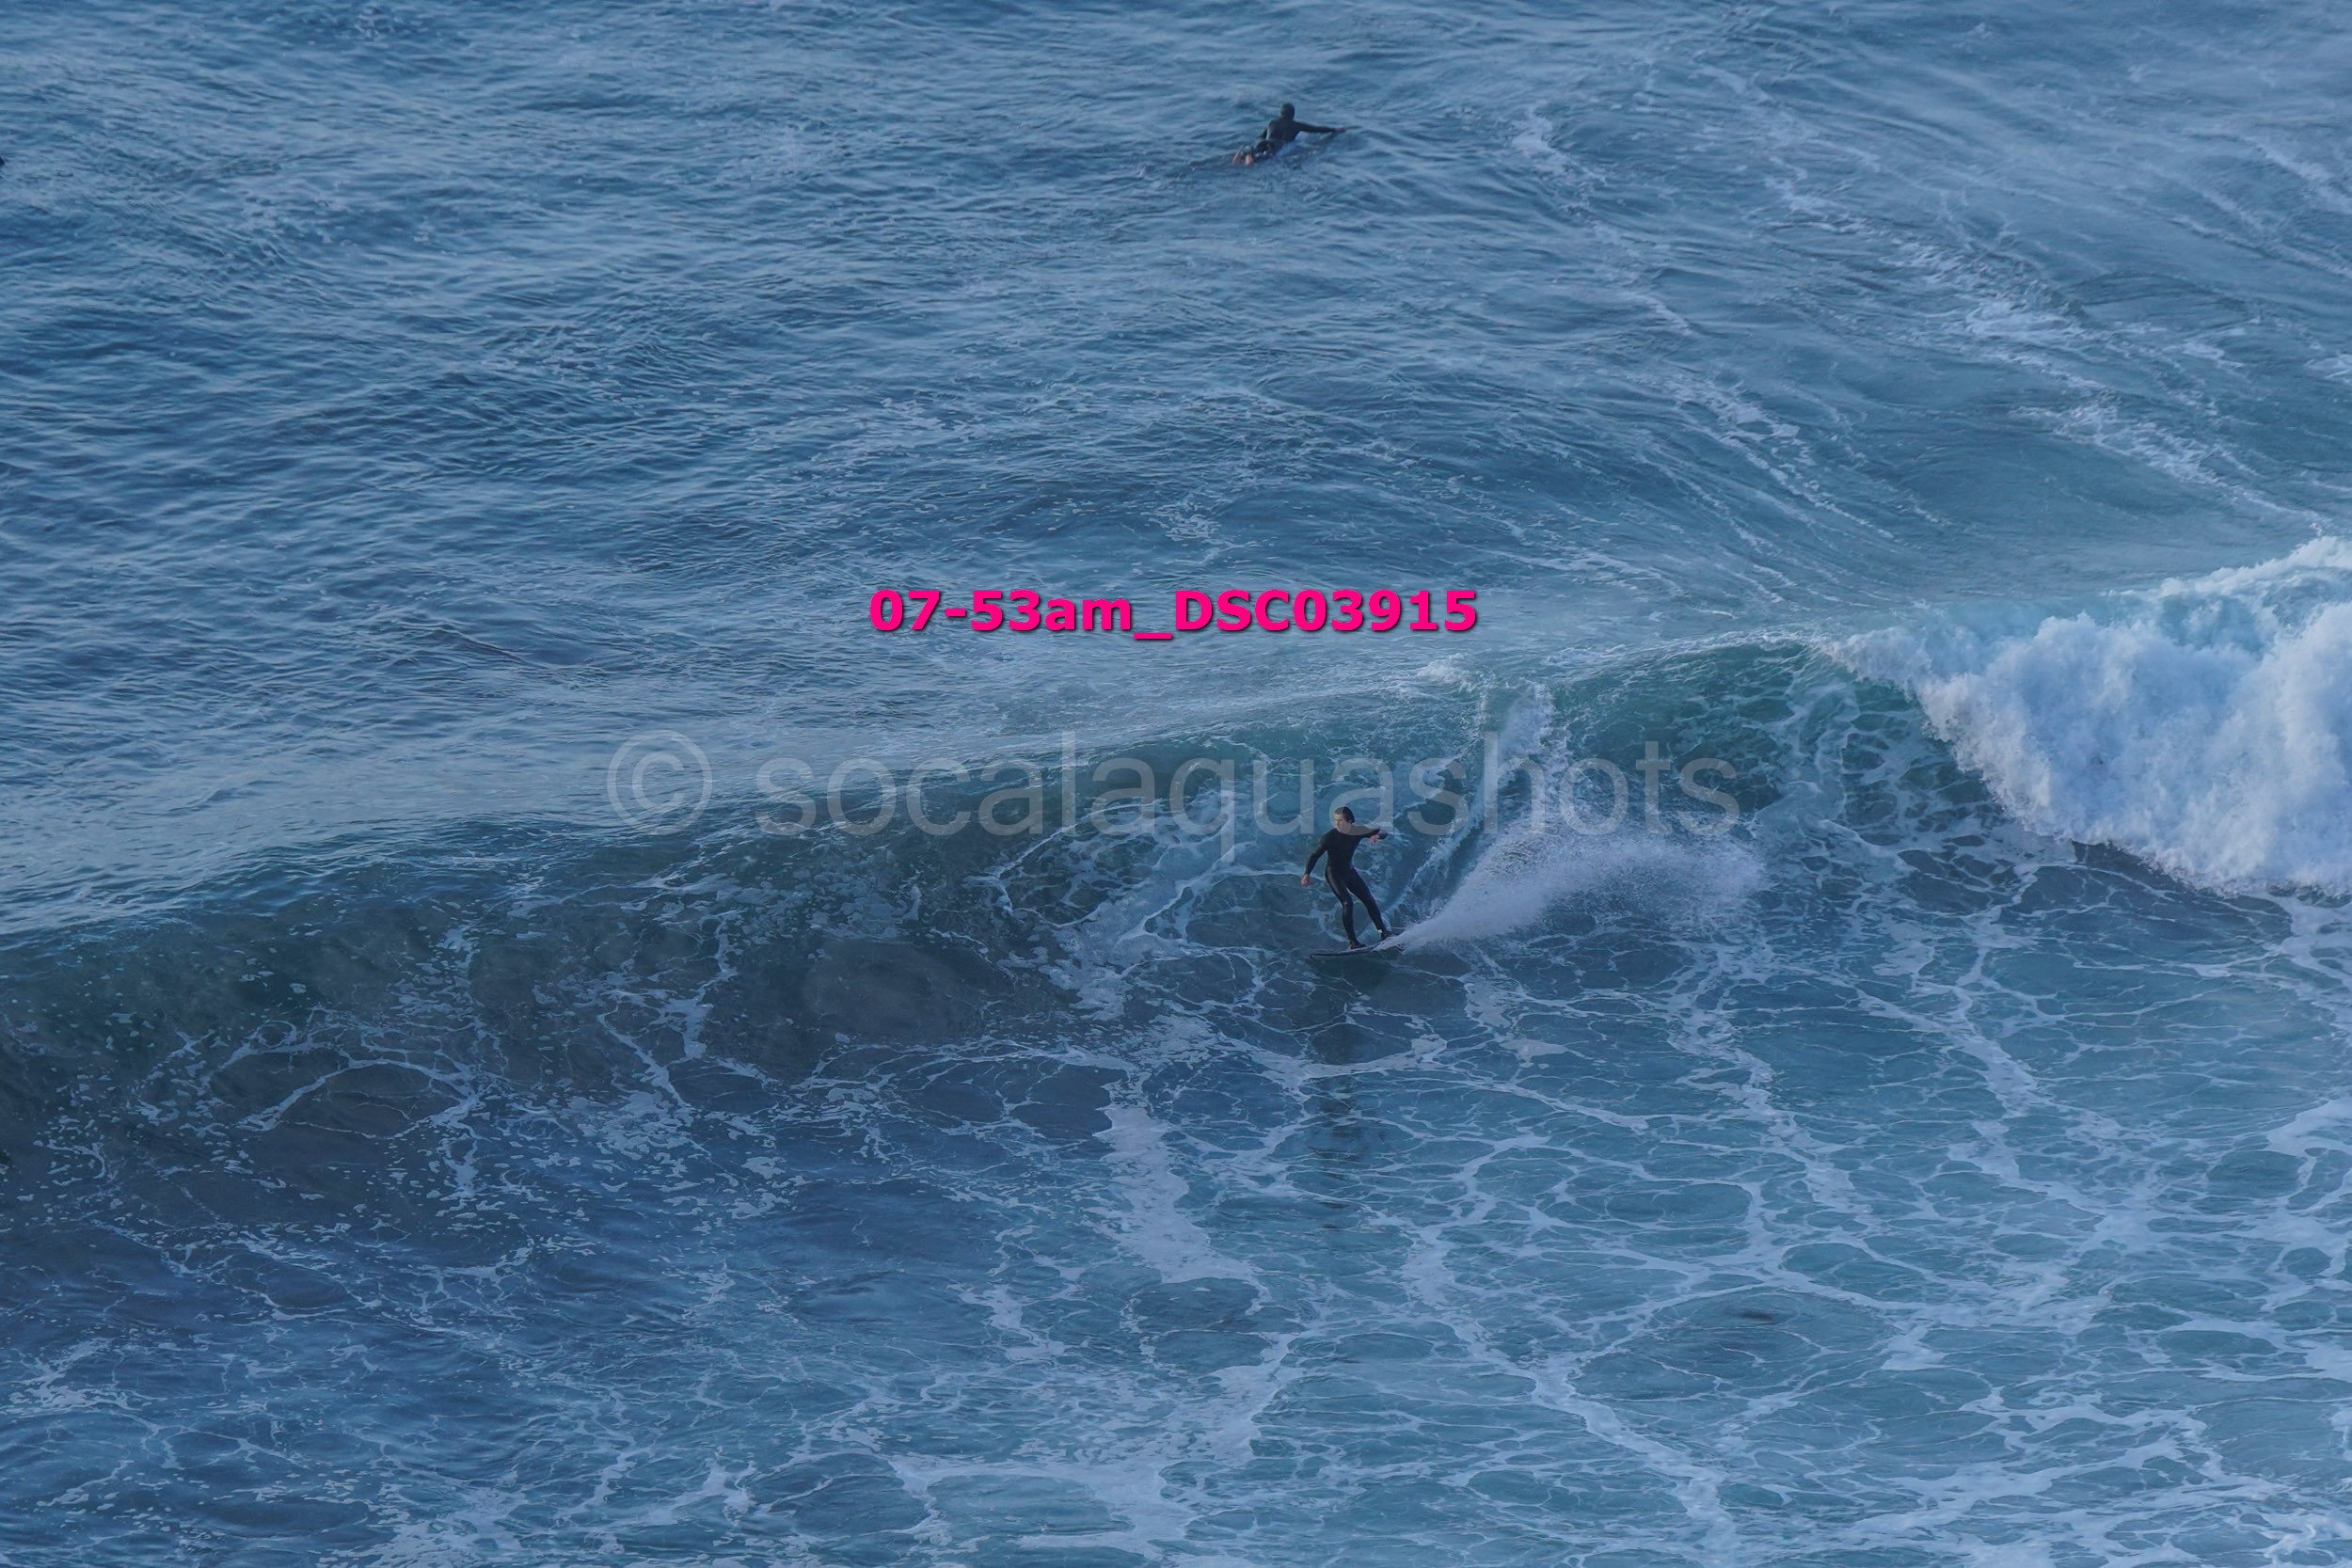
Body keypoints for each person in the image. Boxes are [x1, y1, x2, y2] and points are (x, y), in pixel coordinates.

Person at [1302, 805, 1391, 949]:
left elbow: (1384, 832)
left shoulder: (1357, 831)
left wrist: (1377, 836)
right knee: (1347, 903)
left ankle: (1383, 932)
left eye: (1340, 821)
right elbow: (1314, 855)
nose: (1337, 824)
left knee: (1369, 900)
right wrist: (1307, 873)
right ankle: (1353, 942)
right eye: (1335, 820)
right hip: (1334, 874)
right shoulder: (1329, 837)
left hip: (1349, 872)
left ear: (1349, 821)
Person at [1235, 103, 1344, 165]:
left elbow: (1261, 136)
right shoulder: (1296, 125)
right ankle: (1249, 157)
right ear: (1293, 114)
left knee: (1256, 150)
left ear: (1281, 113)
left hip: (1264, 142)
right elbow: (1317, 129)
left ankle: (1244, 153)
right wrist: (1334, 130)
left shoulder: (1272, 122)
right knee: (1264, 158)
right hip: (1276, 146)